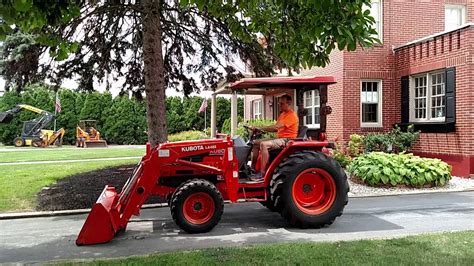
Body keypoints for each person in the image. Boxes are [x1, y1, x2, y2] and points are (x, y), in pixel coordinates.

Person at [250, 94, 298, 180]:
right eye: (279, 103)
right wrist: (260, 129)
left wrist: (260, 127)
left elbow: (276, 127)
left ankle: (262, 173)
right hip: (279, 138)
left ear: (289, 103)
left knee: (264, 145)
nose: (280, 105)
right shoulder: (283, 114)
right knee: (255, 143)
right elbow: (275, 129)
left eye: (282, 103)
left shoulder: (292, 115)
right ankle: (252, 169)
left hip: (287, 140)